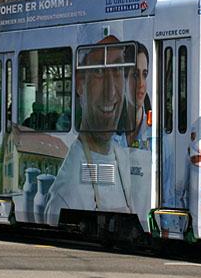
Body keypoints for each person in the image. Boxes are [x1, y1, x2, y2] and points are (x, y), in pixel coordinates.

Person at [44, 35, 141, 224]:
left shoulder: (122, 157)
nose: (110, 92)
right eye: (98, 71)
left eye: (118, 68)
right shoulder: (67, 192)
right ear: (80, 83)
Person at [124, 42, 152, 149]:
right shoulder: (108, 133)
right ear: (124, 78)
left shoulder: (158, 135)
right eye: (135, 74)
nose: (141, 83)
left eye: (144, 74)